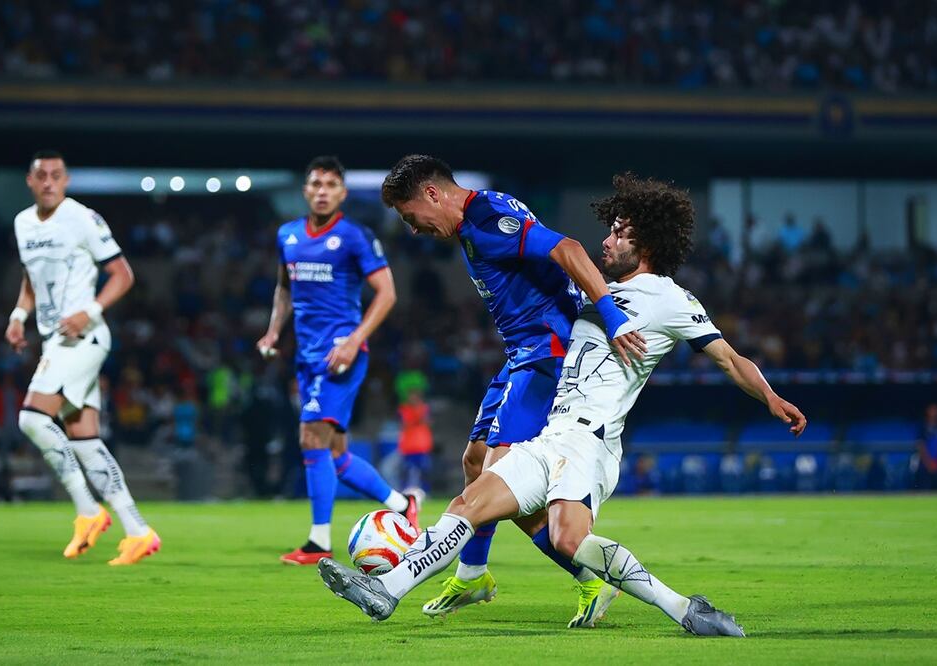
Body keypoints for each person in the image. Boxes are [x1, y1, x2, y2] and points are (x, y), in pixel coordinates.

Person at [319, 173, 807, 635]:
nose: (607, 241)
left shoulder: (670, 300)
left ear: (648, 244)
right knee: (469, 500)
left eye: (619, 234)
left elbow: (728, 358)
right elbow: (553, 275)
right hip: (551, 433)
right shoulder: (594, 293)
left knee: (568, 539)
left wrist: (769, 395)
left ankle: (683, 609)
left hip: (590, 441)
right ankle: (385, 589)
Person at [380, 155, 647, 625]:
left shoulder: (486, 221)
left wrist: (610, 312)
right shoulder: (478, 218)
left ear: (433, 194)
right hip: (522, 354)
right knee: (474, 459)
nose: (415, 230)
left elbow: (566, 248)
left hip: (547, 355)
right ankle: (473, 573)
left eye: (411, 218)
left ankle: (590, 579)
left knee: (495, 480)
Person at [257, 156, 418, 565]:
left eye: (331, 185)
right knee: (337, 457)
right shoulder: (288, 235)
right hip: (307, 357)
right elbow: (283, 289)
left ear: (342, 192)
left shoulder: (354, 236)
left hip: (340, 357)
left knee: (311, 438)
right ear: (306, 190)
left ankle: (318, 542)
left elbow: (387, 293)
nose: (323, 191)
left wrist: (354, 340)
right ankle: (402, 506)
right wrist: (274, 330)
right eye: (316, 184)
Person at [7, 150, 159, 565]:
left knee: (33, 418)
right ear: (30, 181)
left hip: (84, 338)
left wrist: (88, 311)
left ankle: (88, 510)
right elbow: (31, 278)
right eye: (42, 176)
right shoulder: (23, 223)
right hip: (55, 339)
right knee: (87, 442)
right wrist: (19, 315)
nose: (49, 183)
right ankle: (138, 531)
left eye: (57, 175)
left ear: (67, 180)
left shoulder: (82, 218)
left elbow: (123, 274)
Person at [914, 403, 937, 491]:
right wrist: (929, 463)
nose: (934, 412)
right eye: (932, 410)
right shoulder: (922, 428)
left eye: (936, 410)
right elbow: (921, 447)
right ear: (927, 411)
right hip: (925, 465)